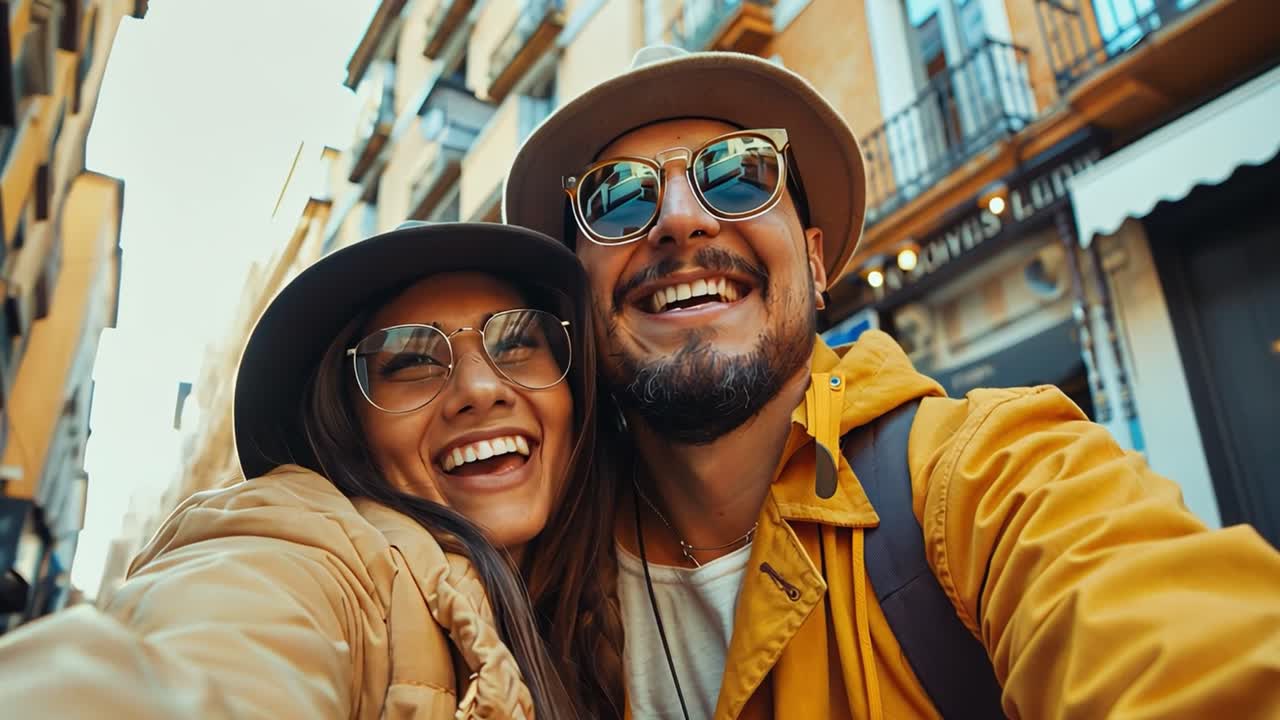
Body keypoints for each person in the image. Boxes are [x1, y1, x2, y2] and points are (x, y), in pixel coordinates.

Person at [503, 46, 1280, 719]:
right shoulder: (539, 566)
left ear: (812, 263)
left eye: (738, 176)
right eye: (618, 197)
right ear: (575, 291)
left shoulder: (988, 474)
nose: (678, 219)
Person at [0, 222, 623, 719]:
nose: (481, 388)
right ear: (348, 426)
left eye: (516, 342)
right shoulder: (304, 544)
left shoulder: (614, 612)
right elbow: (208, 651)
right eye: (409, 362)